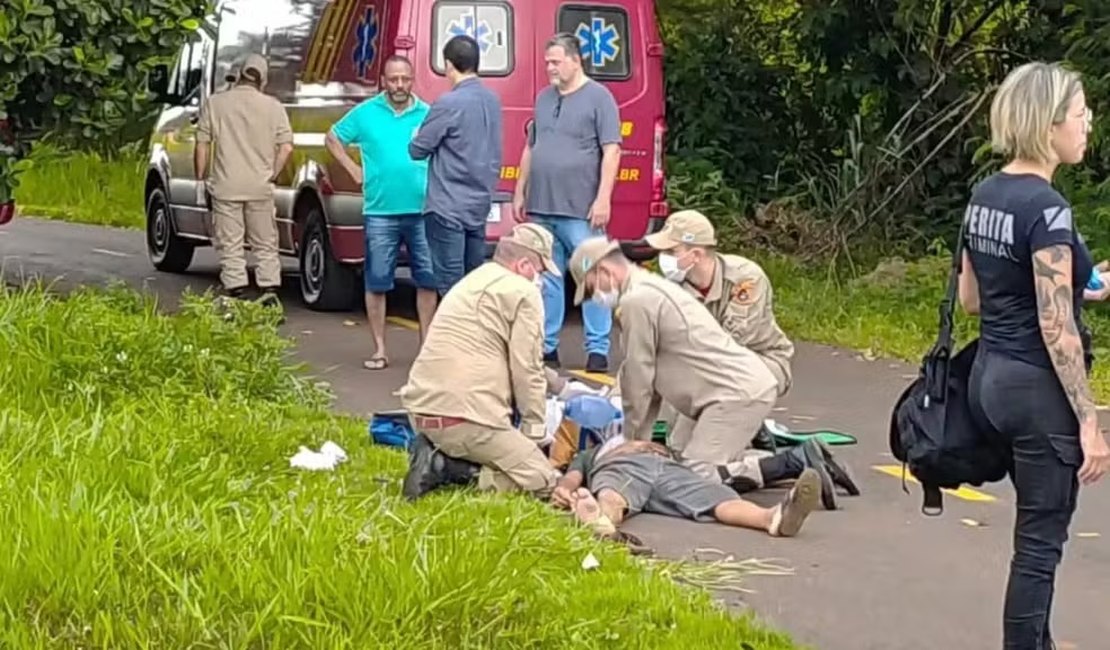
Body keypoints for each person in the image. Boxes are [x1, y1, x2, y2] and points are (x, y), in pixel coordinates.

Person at [956, 61, 1110, 650]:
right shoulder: (1047, 209)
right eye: (1079, 112)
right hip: (1036, 390)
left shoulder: (985, 194)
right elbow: (1055, 322)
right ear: (1048, 127)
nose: (1088, 121)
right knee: (1040, 546)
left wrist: (1082, 286)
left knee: (1033, 538)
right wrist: (1090, 420)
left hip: (990, 379)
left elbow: (972, 299)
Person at [566, 236, 785, 489]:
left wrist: (631, 441)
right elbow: (651, 379)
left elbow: (640, 377)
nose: (595, 297)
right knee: (679, 459)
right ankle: (786, 466)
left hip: (734, 394)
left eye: (592, 288)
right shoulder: (650, 288)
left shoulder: (637, 301)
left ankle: (796, 462)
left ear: (604, 270)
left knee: (695, 475)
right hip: (717, 393)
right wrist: (638, 440)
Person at [399, 223, 563, 500]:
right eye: (542, 270)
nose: (542, 279)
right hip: (467, 420)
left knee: (509, 456)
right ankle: (451, 470)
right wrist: (535, 435)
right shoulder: (524, 293)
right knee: (543, 479)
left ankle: (439, 454)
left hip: (420, 412)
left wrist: (559, 386)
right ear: (524, 265)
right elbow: (527, 368)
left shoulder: (474, 280)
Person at [511, 33, 622, 373]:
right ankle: (548, 346)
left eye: (556, 61)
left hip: (580, 207)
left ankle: (598, 348)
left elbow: (611, 150)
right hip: (543, 205)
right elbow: (532, 146)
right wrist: (520, 189)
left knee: (594, 275)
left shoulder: (600, 98)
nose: (550, 68)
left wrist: (603, 197)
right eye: (547, 62)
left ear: (576, 60)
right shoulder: (544, 99)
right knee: (549, 278)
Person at [326, 55, 437, 370]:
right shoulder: (366, 113)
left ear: (412, 78)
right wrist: (351, 168)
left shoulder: (427, 113)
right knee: (377, 281)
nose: (400, 85)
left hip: (421, 210)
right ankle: (379, 349)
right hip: (380, 211)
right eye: (393, 79)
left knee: (427, 280)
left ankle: (427, 350)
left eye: (405, 79)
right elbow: (333, 137)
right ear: (383, 81)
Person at [552, 436, 822, 543]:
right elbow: (571, 478)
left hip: (669, 467)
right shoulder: (595, 453)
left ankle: (773, 517)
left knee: (716, 497)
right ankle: (601, 520)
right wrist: (564, 490)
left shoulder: (660, 438)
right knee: (612, 492)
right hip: (622, 465)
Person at [646, 209, 794, 395]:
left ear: (696, 255)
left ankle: (745, 422)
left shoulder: (746, 278)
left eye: (671, 251)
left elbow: (732, 344)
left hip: (762, 361)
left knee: (708, 381)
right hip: (707, 363)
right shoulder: (673, 289)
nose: (663, 257)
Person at [194, 53, 293, 305]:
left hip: (226, 186)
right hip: (260, 186)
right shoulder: (274, 107)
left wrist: (200, 178)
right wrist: (272, 173)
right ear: (263, 80)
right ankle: (269, 290)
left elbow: (202, 145)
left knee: (230, 242)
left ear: (238, 75)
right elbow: (286, 148)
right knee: (265, 242)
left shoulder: (215, 104)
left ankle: (235, 290)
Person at [409, 35, 503, 297]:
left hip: (447, 206)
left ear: (448, 65)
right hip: (479, 204)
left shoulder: (448, 103)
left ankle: (456, 337)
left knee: (451, 288)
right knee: (474, 284)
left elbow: (418, 150)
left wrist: (416, 135)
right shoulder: (492, 101)